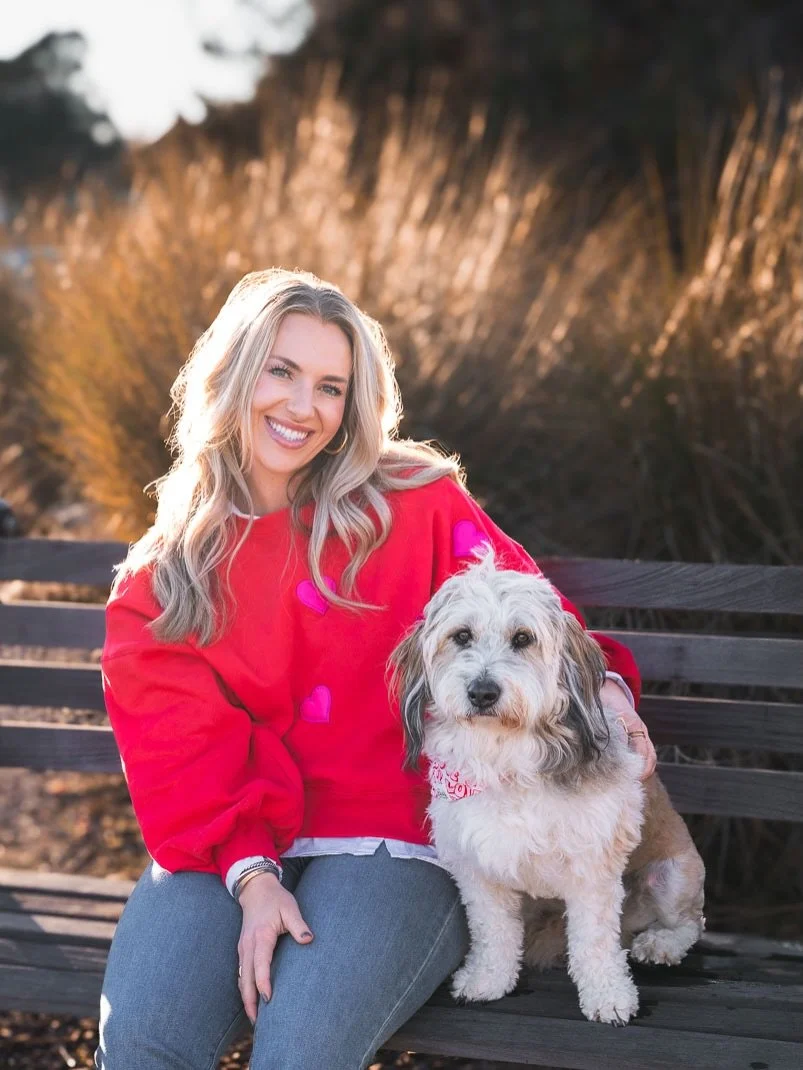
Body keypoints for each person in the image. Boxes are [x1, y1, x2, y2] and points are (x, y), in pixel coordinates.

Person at [94, 268, 655, 1070]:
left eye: (330, 386)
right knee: (143, 1044)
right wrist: (254, 881)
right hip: (229, 842)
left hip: (398, 832)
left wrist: (602, 688)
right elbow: (177, 748)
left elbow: (532, 616)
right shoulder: (163, 577)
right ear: (231, 372)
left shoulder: (415, 502)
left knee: (297, 1053)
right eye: (280, 371)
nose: (301, 407)